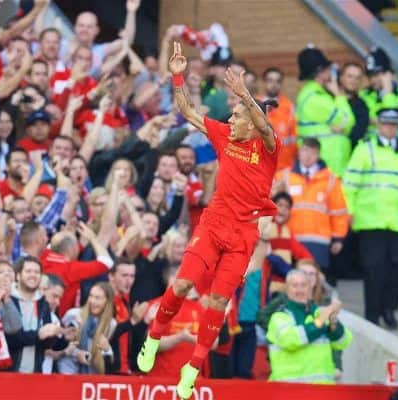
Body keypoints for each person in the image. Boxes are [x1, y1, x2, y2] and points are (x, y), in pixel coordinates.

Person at [137, 42, 281, 399]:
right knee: (183, 285)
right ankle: (153, 338)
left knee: (218, 302)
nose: (229, 121)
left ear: (249, 121)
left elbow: (263, 123)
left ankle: (193, 367)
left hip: (243, 235)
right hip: (214, 225)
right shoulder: (222, 135)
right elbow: (186, 109)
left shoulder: (266, 148)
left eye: (235, 116)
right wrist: (177, 74)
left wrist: (245, 94)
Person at [343, 107, 398, 328]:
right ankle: (372, 315)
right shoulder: (365, 149)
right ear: (379, 125)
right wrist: (349, 212)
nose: (390, 129)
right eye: (386, 124)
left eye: (394, 125)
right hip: (371, 220)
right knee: (373, 269)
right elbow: (349, 183)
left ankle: (388, 308)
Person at [273, 138, 349, 276]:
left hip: (318, 241)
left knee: (315, 281)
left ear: (319, 154)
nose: (308, 156)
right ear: (299, 152)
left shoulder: (330, 180)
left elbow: (339, 211)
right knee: (288, 280)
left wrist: (338, 238)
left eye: (313, 152)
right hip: (288, 237)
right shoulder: (283, 177)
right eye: (305, 151)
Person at [266, 269, 352, 383]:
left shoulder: (320, 312)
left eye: (303, 285)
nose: (299, 290)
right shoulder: (279, 316)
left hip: (322, 391)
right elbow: (291, 340)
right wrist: (321, 321)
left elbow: (343, 342)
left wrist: (333, 322)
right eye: (294, 285)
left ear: (310, 288)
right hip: (289, 391)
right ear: (287, 289)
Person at [295, 45, 354, 176]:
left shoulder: (314, 95)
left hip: (327, 165)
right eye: (328, 69)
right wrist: (339, 95)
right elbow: (349, 120)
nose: (331, 72)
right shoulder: (316, 99)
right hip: (328, 165)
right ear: (320, 72)